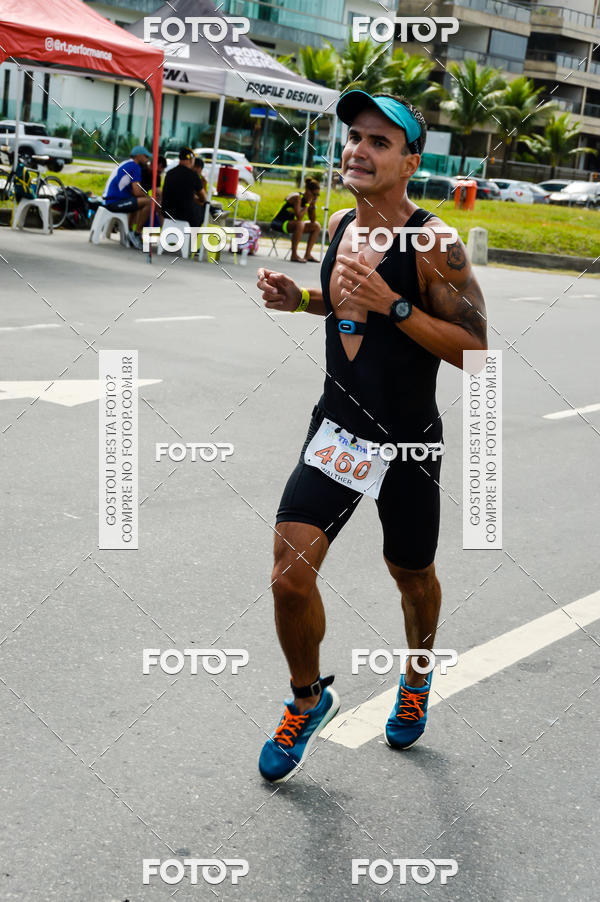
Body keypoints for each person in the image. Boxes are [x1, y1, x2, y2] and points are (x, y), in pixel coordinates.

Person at [256, 92, 487, 783]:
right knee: (288, 579)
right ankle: (308, 699)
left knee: (411, 575)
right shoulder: (336, 224)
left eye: (380, 142)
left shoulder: (435, 243)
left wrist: (399, 306)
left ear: (411, 160)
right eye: (355, 136)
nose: (359, 149)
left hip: (408, 440)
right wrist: (305, 299)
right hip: (339, 427)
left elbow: (475, 349)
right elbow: (351, 300)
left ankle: (416, 675)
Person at [102, 145, 153, 249]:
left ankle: (129, 231)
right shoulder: (135, 166)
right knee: (149, 202)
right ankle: (136, 234)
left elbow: (135, 193)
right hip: (113, 202)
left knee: (137, 202)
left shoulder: (126, 163)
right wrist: (147, 195)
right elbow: (137, 191)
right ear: (138, 156)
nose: (148, 160)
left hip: (110, 200)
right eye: (146, 157)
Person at [271, 177, 321, 263]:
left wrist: (313, 206)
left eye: (317, 195)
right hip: (279, 223)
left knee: (316, 226)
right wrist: (308, 204)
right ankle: (294, 255)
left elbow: (312, 220)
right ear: (308, 190)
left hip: (292, 224)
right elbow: (299, 217)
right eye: (314, 194)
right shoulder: (297, 197)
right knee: (300, 223)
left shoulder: (308, 201)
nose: (315, 197)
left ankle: (308, 254)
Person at [161, 146, 206, 227]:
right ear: (191, 159)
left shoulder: (169, 173)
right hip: (184, 215)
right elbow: (203, 198)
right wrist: (196, 199)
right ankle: (192, 238)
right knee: (202, 210)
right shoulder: (193, 176)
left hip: (167, 213)